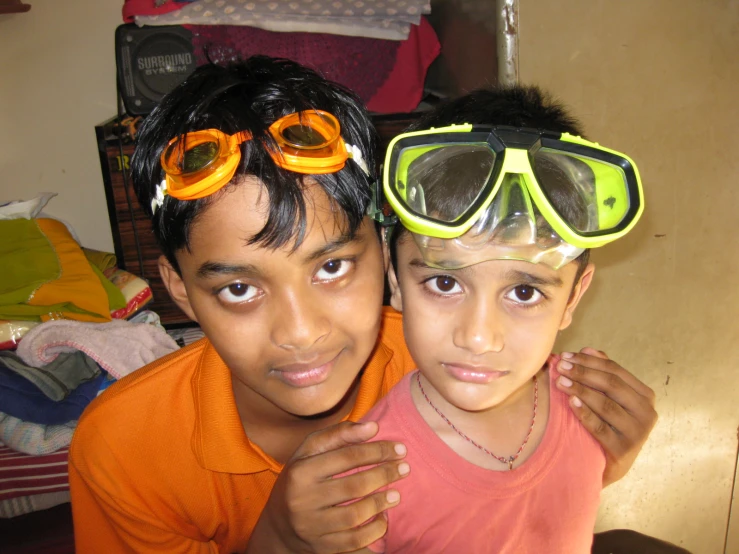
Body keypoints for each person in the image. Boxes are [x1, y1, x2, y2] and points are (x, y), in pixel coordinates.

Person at [68, 57, 657, 553]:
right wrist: (279, 538)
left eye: (331, 267)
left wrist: (604, 454)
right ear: (179, 289)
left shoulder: (454, 366)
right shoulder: (124, 449)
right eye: (239, 289)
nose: (300, 333)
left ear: (384, 256)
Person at [353, 85, 651, 553]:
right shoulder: (369, 477)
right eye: (445, 283)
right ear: (395, 279)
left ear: (574, 296)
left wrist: (615, 457)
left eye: (525, 291)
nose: (478, 337)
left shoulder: (591, 412)